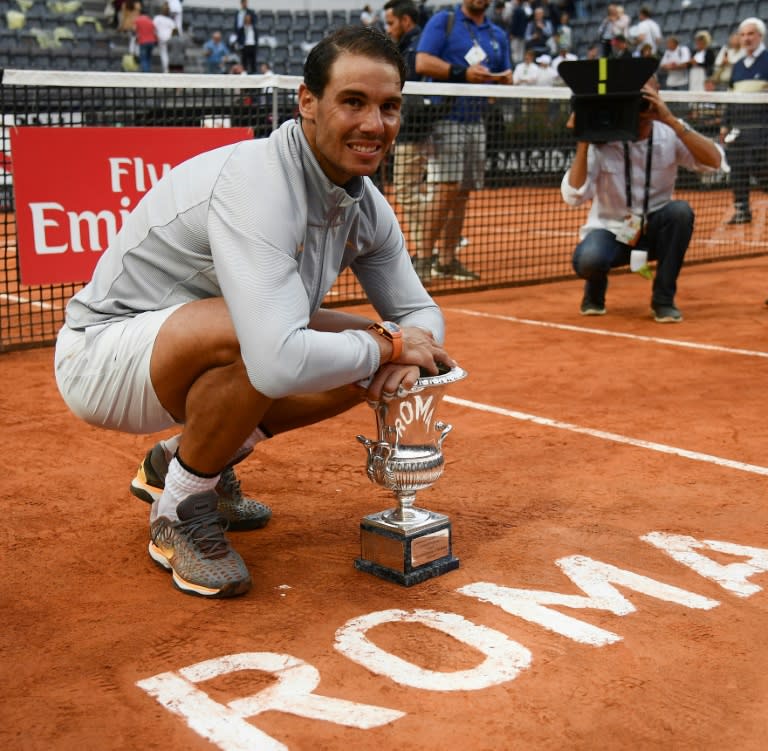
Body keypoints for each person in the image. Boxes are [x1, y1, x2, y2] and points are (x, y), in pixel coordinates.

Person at [53, 25, 455, 599]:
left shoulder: (364, 202)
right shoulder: (257, 183)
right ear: (307, 103)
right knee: (285, 342)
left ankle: (180, 465)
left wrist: (405, 348)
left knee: (362, 348)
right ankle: (180, 514)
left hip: (192, 344)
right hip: (102, 358)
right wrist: (393, 345)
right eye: (354, 102)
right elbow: (275, 363)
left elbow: (417, 310)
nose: (375, 124)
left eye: (390, 107)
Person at [562, 78, 725, 323]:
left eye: (646, 94)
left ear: (658, 95)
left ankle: (663, 300)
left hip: (654, 230)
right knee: (588, 261)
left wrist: (670, 120)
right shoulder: (604, 136)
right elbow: (574, 196)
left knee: (680, 212)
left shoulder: (670, 131)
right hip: (612, 230)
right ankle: (595, 289)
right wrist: (584, 139)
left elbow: (715, 161)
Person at [414, 0, 512, 282]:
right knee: (445, 189)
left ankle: (446, 260)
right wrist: (463, 73)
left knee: (462, 192)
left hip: (476, 119)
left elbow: (507, 73)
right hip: (445, 116)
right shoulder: (444, 21)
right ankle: (423, 258)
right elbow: (423, 62)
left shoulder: (497, 34)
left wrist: (503, 80)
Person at [383, 1, 430, 270]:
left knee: (408, 191)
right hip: (417, 127)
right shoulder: (411, 45)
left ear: (406, 21)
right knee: (419, 190)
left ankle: (426, 249)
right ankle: (429, 245)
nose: (388, 29)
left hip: (414, 130)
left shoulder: (414, 48)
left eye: (391, 23)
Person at [720, 17, 768, 225]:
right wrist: (724, 124)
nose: (746, 38)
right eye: (743, 35)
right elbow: (730, 98)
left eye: (751, 34)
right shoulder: (737, 66)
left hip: (762, 129)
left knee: (763, 172)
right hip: (738, 130)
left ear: (760, 36)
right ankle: (742, 210)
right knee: (737, 171)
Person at [153, 2, 176, 74]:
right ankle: (168, 69)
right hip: (169, 38)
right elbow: (174, 30)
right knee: (168, 54)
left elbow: (153, 28)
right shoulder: (170, 20)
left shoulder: (157, 18)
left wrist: (156, 36)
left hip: (162, 38)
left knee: (164, 54)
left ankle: (166, 70)